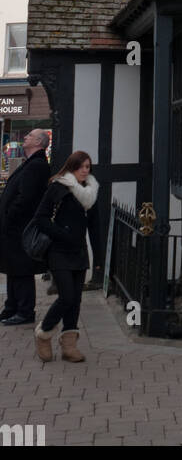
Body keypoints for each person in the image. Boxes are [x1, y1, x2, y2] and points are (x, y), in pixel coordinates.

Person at [32, 151, 98, 363]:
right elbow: (40, 218)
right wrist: (63, 234)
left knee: (76, 299)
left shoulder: (91, 192)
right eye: (80, 167)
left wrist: (99, 258)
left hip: (79, 251)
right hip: (58, 251)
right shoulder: (58, 187)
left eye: (88, 167)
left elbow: (96, 227)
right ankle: (44, 333)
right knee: (66, 296)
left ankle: (69, 345)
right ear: (72, 167)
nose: (84, 171)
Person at [0, 128, 51, 324]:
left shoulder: (36, 165)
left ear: (38, 142)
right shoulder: (31, 163)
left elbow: (26, 198)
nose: (25, 137)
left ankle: (25, 311)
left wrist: (9, 216)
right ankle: (11, 307)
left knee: (22, 270)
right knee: (13, 269)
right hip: (13, 228)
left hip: (19, 227)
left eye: (29, 135)